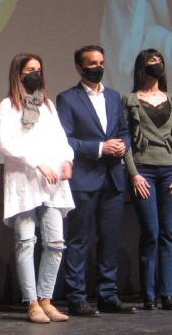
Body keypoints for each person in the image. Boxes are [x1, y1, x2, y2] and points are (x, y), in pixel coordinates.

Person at [55, 45, 135, 317]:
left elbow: (125, 131)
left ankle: (108, 296)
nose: (98, 67)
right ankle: (76, 297)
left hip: (113, 178)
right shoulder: (67, 98)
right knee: (79, 239)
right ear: (79, 68)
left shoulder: (114, 97)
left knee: (110, 239)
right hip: (85, 179)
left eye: (101, 62)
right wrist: (101, 147)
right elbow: (65, 139)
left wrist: (123, 145)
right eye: (92, 63)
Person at [0, 54, 73, 324]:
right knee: (26, 242)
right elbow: (7, 144)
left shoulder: (47, 105)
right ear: (18, 73)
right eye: (30, 70)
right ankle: (31, 303)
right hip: (25, 182)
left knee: (55, 243)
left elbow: (60, 137)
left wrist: (67, 160)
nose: (35, 74)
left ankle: (46, 298)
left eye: (39, 70)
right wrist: (38, 163)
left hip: (52, 184)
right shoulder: (8, 106)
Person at [122, 48, 172, 310]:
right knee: (150, 231)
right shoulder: (130, 100)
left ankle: (167, 293)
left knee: (168, 233)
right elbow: (126, 140)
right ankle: (148, 293)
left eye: (160, 62)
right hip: (144, 172)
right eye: (152, 62)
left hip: (170, 172)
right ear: (142, 67)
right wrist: (134, 174)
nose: (157, 66)